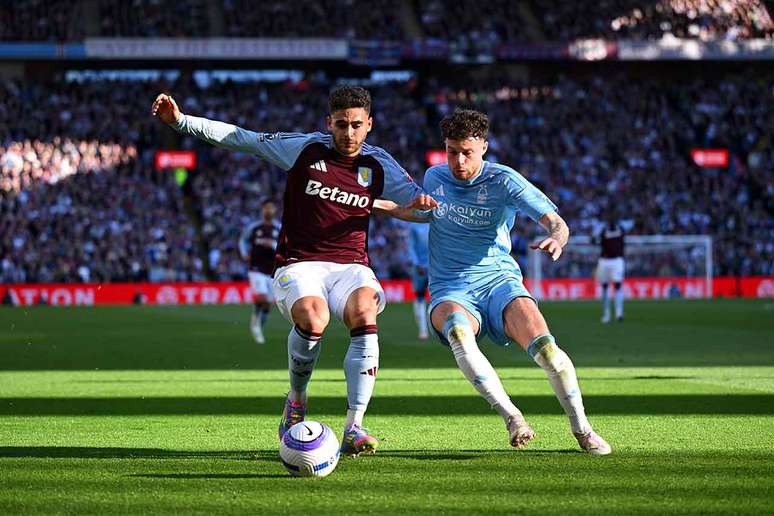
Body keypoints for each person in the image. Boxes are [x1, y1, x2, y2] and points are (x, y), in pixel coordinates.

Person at [152, 86, 437, 456]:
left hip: (351, 265)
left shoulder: (380, 164)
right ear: (328, 123)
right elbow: (244, 139)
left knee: (364, 310)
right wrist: (181, 121)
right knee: (312, 317)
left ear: (369, 124)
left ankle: (355, 426)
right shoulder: (304, 148)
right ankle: (297, 398)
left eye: (355, 125)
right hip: (298, 263)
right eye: (340, 125)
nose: (347, 134)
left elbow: (419, 206)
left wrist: (420, 207)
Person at [375, 108, 611, 455]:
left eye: (466, 152)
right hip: (450, 286)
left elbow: (556, 221)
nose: (458, 161)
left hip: (499, 280)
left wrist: (557, 238)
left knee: (549, 352)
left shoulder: (504, 180)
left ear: (483, 147)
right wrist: (376, 205)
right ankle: (512, 417)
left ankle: (582, 429)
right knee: (458, 330)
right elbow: (424, 213)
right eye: (451, 151)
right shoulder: (434, 176)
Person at [238, 199, 281, 344]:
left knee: (268, 303)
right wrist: (244, 252)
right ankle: (255, 324)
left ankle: (259, 328)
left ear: (275, 211)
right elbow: (243, 240)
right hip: (256, 267)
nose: (268, 211)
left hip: (272, 269)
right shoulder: (254, 227)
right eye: (266, 208)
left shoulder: (279, 228)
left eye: (271, 208)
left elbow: (284, 245)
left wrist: (273, 245)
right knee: (262, 298)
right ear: (262, 210)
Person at [593, 215, 625, 323]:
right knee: (606, 286)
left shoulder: (617, 230)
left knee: (617, 285)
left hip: (616, 261)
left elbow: (593, 240)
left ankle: (618, 313)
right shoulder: (606, 231)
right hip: (605, 261)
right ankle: (607, 314)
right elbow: (593, 241)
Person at [407, 222, 430, 339]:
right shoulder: (414, 227)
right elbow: (411, 246)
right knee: (420, 297)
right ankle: (423, 329)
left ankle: (438, 327)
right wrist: (416, 264)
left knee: (440, 297)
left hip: (435, 267)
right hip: (420, 268)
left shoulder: (436, 224)